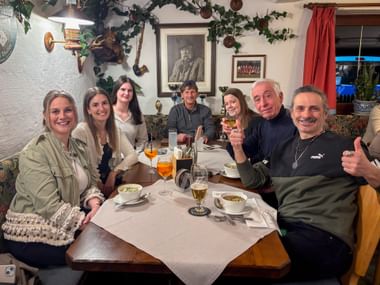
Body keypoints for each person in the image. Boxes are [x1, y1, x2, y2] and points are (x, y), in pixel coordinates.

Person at [230, 85, 369, 282]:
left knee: (241, 266)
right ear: (292, 112)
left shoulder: (345, 145)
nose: (306, 114)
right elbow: (252, 180)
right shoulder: (282, 149)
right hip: (286, 229)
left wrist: (368, 170)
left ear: (325, 113)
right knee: (232, 244)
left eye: (314, 108)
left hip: (325, 240)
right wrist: (238, 148)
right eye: (300, 108)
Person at [2, 90, 104, 268]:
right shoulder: (35, 152)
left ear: (75, 113)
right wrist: (86, 223)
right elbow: (48, 206)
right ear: (45, 116)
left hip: (67, 217)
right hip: (33, 233)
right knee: (98, 246)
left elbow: (89, 184)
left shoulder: (77, 147)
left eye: (68, 110)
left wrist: (95, 204)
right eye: (55, 111)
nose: (62, 116)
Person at [72, 87, 138, 197]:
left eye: (104, 103)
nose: (101, 108)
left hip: (111, 186)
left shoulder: (114, 130)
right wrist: (102, 190)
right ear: (88, 110)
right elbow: (84, 171)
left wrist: (113, 173)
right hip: (90, 193)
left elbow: (132, 156)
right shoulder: (81, 132)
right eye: (95, 105)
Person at [226, 79, 296, 165]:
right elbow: (244, 152)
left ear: (280, 97)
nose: (263, 104)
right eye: (257, 99)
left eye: (268, 96)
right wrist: (234, 141)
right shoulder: (262, 123)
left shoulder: (296, 123)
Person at [112, 75, 148, 150]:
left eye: (130, 90)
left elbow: (143, 140)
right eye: (123, 89)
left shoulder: (137, 114)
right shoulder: (107, 113)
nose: (126, 93)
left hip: (130, 159)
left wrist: (136, 154)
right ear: (116, 91)